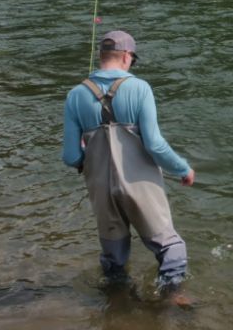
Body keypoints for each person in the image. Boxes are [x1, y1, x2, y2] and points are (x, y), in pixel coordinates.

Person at [62, 30, 195, 292]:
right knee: (171, 249)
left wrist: (84, 154)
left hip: (101, 187)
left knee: (113, 259)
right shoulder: (139, 88)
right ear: (126, 56)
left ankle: (119, 306)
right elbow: (154, 145)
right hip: (139, 184)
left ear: (101, 57)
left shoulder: (74, 96)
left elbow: (70, 157)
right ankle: (170, 303)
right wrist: (182, 168)